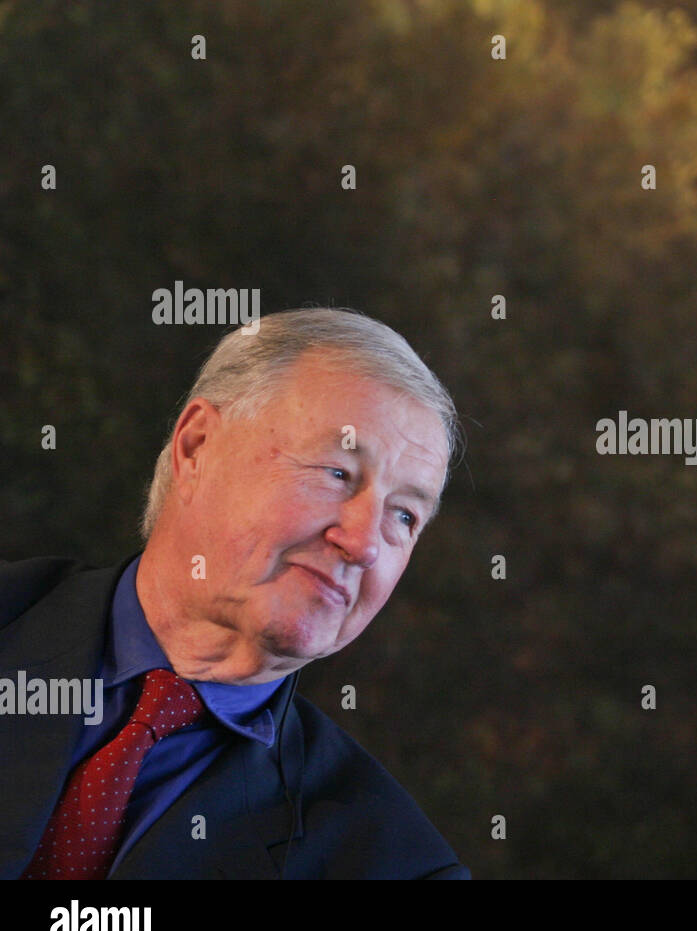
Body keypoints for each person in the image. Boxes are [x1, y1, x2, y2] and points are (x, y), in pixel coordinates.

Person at [0, 308, 469, 879]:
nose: (364, 544)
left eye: (404, 515)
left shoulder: (396, 866)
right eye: (337, 473)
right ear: (196, 447)